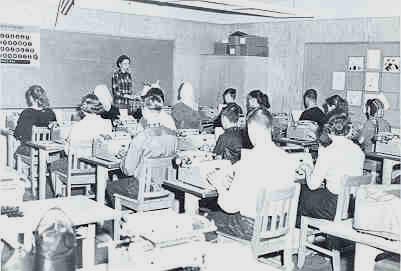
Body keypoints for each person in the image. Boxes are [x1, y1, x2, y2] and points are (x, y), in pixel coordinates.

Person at [206, 107, 298, 240]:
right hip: (280, 225)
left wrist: (219, 185)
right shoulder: (287, 158)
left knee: (206, 219)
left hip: (252, 228)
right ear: (269, 128)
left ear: (252, 130)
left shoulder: (250, 161)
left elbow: (229, 206)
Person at [296, 113, 365, 227]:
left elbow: (313, 185)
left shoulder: (328, 150)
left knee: (301, 194)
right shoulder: (358, 151)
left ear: (328, 130)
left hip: (332, 207)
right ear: (348, 131)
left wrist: (308, 169)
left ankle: (301, 236)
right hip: (352, 206)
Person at [106, 94, 176, 205]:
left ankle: (128, 218)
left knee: (110, 186)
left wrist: (125, 157)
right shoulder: (172, 135)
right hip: (166, 187)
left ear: (144, 112)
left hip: (142, 189)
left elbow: (128, 170)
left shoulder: (141, 137)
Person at [14, 85, 57, 157]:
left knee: (16, 152)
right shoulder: (50, 112)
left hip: (31, 149)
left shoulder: (26, 113)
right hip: (49, 150)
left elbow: (17, 134)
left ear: (31, 98)